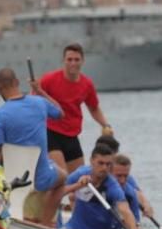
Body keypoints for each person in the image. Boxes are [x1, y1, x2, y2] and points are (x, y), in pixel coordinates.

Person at [0, 68, 65, 226]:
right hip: (41, 178)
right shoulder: (39, 102)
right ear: (17, 82)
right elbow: (60, 112)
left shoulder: (0, 114)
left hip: (12, 179)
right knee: (63, 177)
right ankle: (45, 224)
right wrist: (40, 91)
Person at [39, 43, 113, 172]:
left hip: (71, 134)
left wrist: (105, 125)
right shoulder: (48, 79)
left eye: (76, 60)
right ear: (63, 61)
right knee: (61, 175)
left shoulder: (87, 84)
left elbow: (94, 108)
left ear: (82, 61)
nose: (73, 63)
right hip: (50, 132)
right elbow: (32, 102)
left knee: (80, 178)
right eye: (69, 59)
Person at [61, 142, 140, 229]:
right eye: (101, 163)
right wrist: (78, 185)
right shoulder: (79, 174)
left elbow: (125, 210)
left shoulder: (113, 186)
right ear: (91, 161)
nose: (104, 168)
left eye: (108, 164)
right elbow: (58, 193)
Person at [113, 153, 155, 223]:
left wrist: (146, 205)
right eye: (118, 176)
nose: (122, 181)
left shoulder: (129, 186)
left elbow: (138, 192)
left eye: (126, 176)